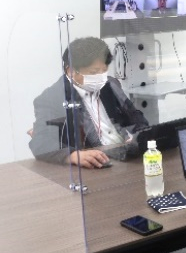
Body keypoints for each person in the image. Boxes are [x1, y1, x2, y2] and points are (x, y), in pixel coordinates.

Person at [29, 37, 148, 168]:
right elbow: (40, 142)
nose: (101, 77)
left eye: (104, 70)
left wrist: (140, 136)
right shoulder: (52, 98)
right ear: (70, 71)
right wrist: (73, 155)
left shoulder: (111, 84)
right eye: (94, 72)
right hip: (98, 164)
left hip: (129, 155)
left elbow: (135, 117)